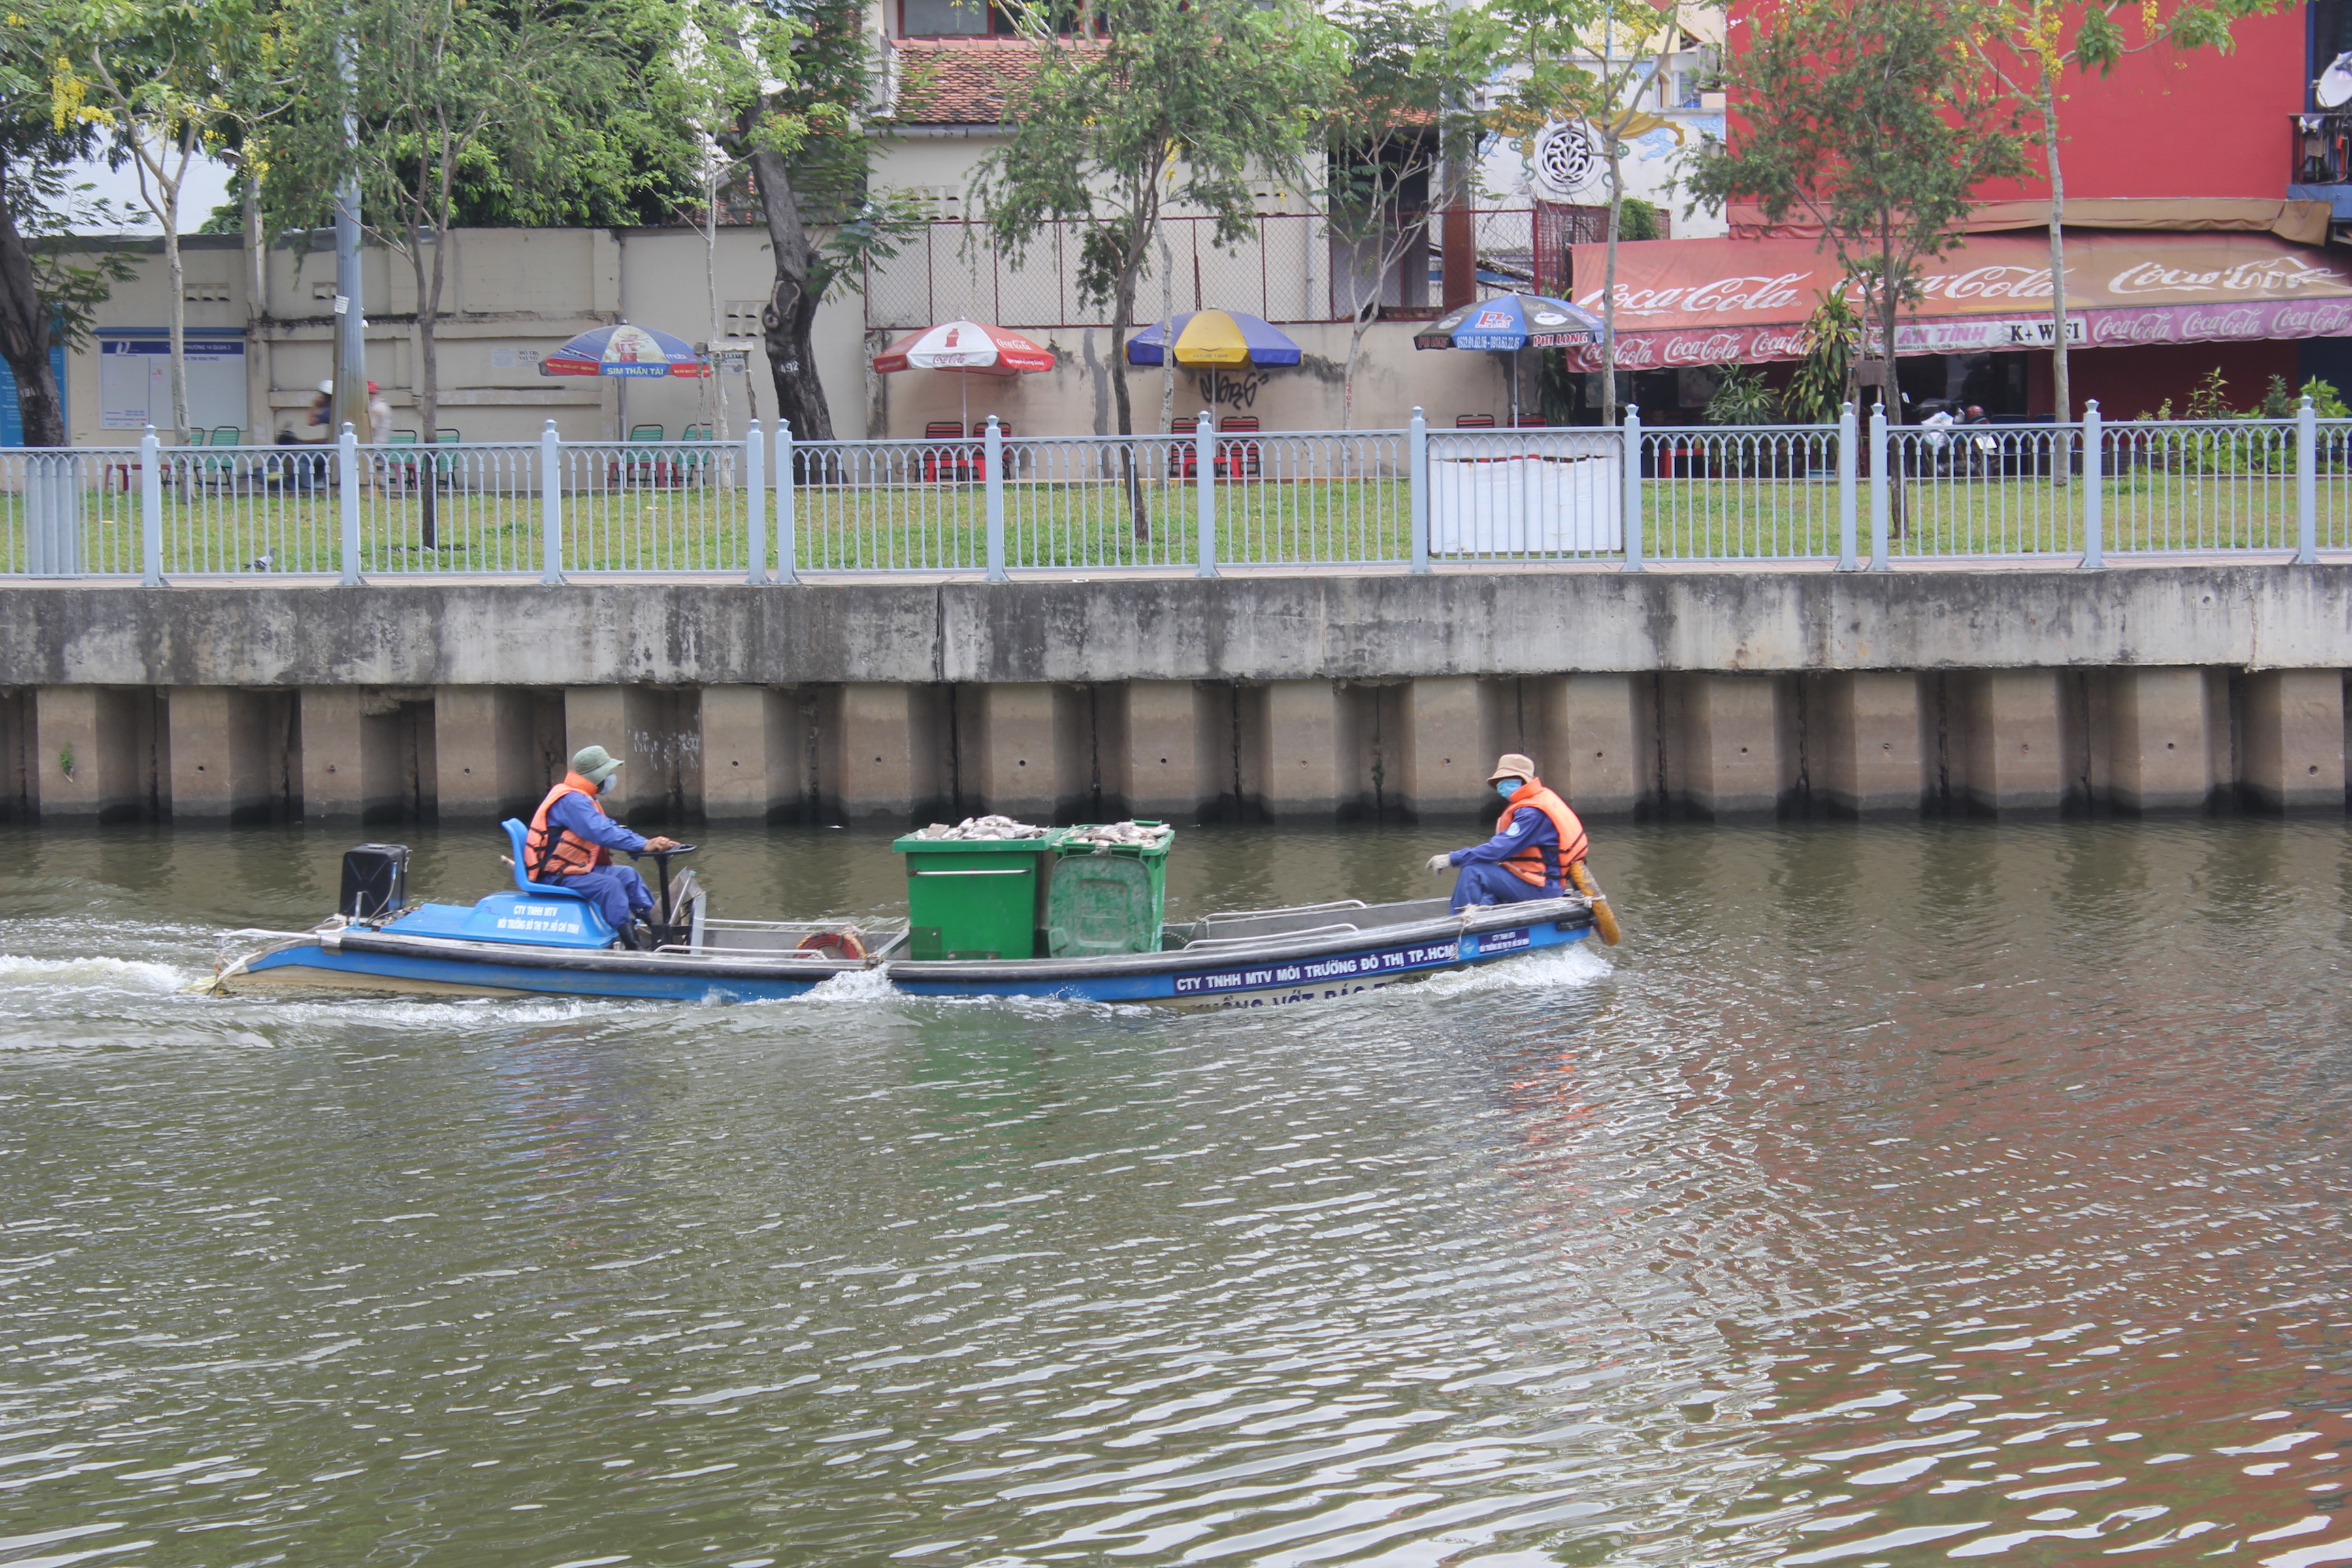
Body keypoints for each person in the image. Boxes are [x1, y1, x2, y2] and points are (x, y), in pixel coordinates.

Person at [523, 745, 680, 949]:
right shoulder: (572, 801)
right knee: (610, 887)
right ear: (597, 776)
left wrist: (647, 844)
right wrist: (641, 845)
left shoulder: (582, 798)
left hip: (575, 869)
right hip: (556, 874)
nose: (611, 777)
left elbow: (609, 827)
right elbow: (600, 832)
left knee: (628, 875)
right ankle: (633, 946)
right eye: (608, 773)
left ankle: (661, 931)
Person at [1424, 752, 1590, 913]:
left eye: (1507, 780)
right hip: (1530, 881)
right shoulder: (1537, 802)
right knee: (1486, 897)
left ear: (1523, 782)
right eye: (1500, 781)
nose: (1501, 786)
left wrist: (1452, 858)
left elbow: (1498, 850)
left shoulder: (1531, 813)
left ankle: (1459, 927)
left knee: (1473, 871)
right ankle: (1473, 918)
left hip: (1541, 889)